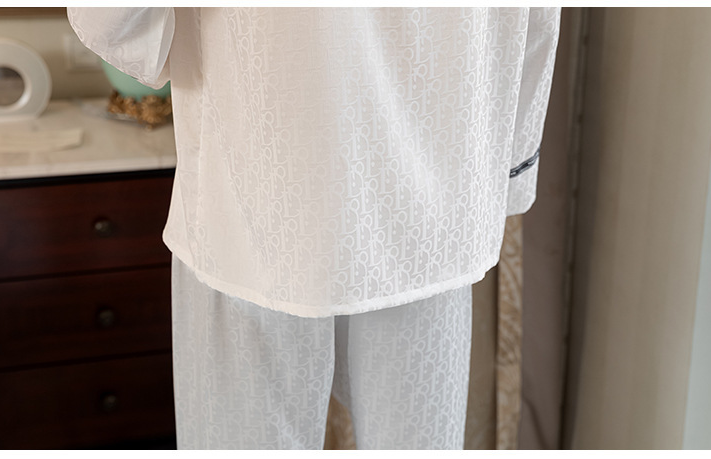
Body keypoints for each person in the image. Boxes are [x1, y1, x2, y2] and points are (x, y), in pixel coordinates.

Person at [68, 7, 560, 450]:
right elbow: (535, 23)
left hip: (252, 204)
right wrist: (508, 177)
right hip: (428, 218)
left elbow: (110, 20)